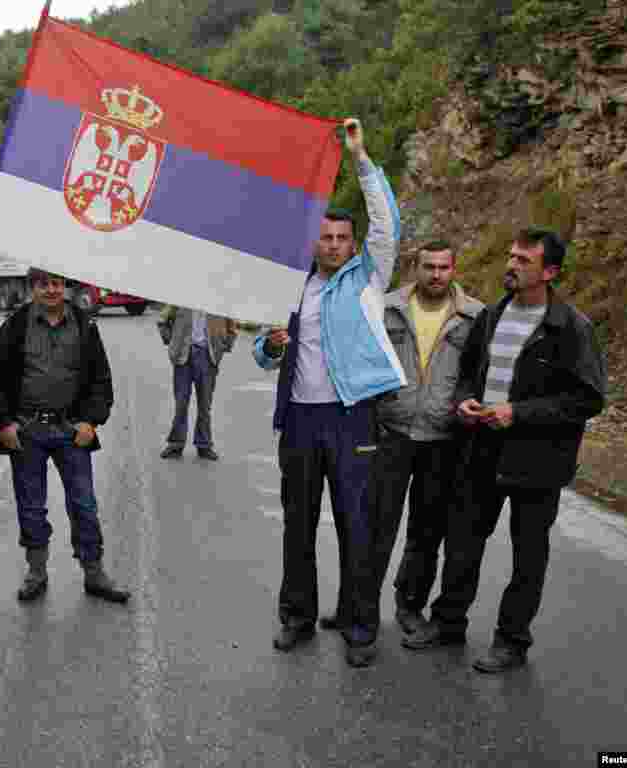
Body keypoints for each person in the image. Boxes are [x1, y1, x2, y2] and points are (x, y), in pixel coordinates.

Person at [402, 228, 606, 672]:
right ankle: (448, 622)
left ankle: (512, 641)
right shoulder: (491, 316)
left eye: (523, 260)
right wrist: (464, 401)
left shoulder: (572, 328)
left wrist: (520, 412)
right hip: (481, 449)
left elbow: (588, 398)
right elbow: (469, 374)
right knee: (463, 543)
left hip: (539, 461)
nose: (511, 265)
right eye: (511, 256)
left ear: (549, 272)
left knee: (527, 556)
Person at [252, 118, 403, 667]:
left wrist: (360, 159)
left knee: (356, 525)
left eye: (342, 238)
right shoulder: (289, 286)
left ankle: (360, 626)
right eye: (326, 237)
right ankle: (297, 616)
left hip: (351, 418)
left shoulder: (368, 279)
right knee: (298, 525)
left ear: (353, 245)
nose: (334, 245)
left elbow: (387, 224)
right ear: (312, 242)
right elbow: (262, 352)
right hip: (298, 421)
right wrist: (271, 346)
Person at [0, 268, 130, 604]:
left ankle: (94, 572)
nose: (51, 290)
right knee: (31, 507)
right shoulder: (16, 325)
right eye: (44, 284)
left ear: (65, 287)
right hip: (27, 432)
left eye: (57, 284)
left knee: (84, 504)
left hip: (71, 432)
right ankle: (36, 572)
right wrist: (3, 424)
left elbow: (101, 380)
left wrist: (90, 422)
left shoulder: (85, 325)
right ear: (33, 288)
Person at [369, 240, 482, 638]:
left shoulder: (475, 316)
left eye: (443, 267)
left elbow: (477, 375)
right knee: (376, 526)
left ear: (454, 270)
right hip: (392, 432)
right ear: (415, 268)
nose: (436, 274)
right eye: (428, 266)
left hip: (443, 439)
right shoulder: (386, 307)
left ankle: (409, 605)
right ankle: (360, 607)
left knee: (426, 531)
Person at [157, 305, 238, 460]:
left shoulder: (219, 300)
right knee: (181, 403)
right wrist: (172, 341)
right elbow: (162, 320)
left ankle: (204, 445)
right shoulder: (181, 298)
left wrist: (224, 345)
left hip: (208, 356)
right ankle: (176, 444)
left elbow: (232, 327)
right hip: (183, 355)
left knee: (205, 405)